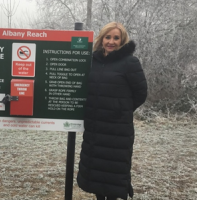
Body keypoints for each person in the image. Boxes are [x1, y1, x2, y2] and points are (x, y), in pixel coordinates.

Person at [77, 22, 147, 200]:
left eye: (116, 38)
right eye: (108, 37)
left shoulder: (129, 62)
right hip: (95, 128)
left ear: (122, 40)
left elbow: (140, 94)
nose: (111, 41)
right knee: (96, 174)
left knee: (114, 173)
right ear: (101, 39)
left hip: (117, 130)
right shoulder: (92, 60)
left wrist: (119, 110)